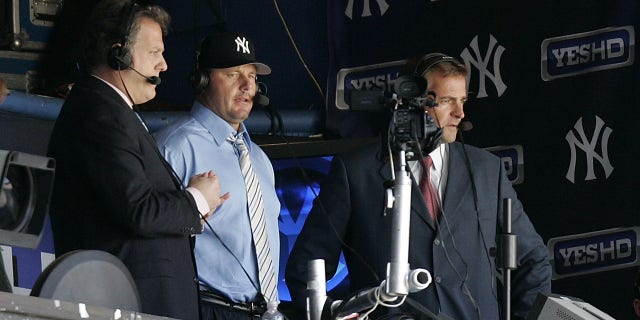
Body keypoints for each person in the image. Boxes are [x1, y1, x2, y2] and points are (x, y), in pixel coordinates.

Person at [285, 53, 552, 320]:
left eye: (462, 101)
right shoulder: (355, 172)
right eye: (447, 101)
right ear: (412, 103)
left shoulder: (486, 170)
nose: (460, 113)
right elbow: (304, 267)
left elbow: (533, 260)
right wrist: (339, 315)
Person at [47, 1, 227, 318]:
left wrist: (191, 209)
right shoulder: (100, 114)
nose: (164, 65)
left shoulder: (111, 112)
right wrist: (197, 199)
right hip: (128, 305)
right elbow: (139, 210)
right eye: (154, 53)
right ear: (119, 55)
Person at [154, 31, 281, 320]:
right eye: (233, 74)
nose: (247, 85)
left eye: (251, 76)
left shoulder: (259, 159)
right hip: (206, 309)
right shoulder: (175, 147)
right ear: (202, 80)